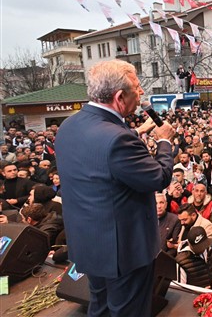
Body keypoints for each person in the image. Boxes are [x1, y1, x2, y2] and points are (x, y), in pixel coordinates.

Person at [55, 59, 175, 317]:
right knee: (128, 310)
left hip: (90, 243)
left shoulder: (69, 125)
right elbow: (159, 178)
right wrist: (165, 141)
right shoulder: (118, 138)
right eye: (137, 88)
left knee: (100, 306)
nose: (141, 93)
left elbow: (102, 162)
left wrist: (136, 133)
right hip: (124, 251)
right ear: (120, 96)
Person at [156, 192, 182, 257]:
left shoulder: (175, 220)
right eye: (156, 203)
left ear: (166, 204)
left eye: (161, 202)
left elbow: (174, 247)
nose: (159, 206)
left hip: (165, 260)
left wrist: (162, 260)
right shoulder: (146, 220)